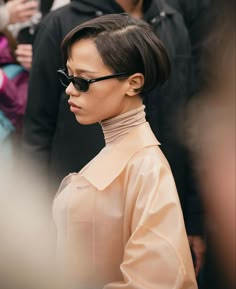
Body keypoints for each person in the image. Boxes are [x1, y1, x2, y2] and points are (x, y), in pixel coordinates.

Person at [22, 0, 204, 277]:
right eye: (68, 78)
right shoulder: (125, 159)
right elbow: (36, 127)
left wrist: (195, 219)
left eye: (83, 81)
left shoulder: (145, 169)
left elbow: (154, 280)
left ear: (134, 83)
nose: (70, 90)